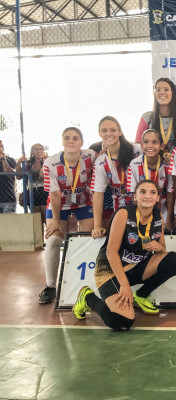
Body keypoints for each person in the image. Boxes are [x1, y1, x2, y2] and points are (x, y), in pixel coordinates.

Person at [72, 180, 176, 331]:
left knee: (175, 261)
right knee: (122, 322)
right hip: (110, 270)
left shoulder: (158, 216)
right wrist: (124, 285)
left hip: (136, 266)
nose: (147, 196)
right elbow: (111, 252)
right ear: (135, 197)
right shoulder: (124, 213)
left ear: (158, 198)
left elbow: (162, 248)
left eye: (152, 192)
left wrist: (158, 247)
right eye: (142, 192)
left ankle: (141, 296)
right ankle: (87, 297)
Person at [40, 127, 96, 304]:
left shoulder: (91, 156)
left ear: (82, 142)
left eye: (75, 138)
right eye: (67, 138)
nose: (71, 141)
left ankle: (89, 282)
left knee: (89, 239)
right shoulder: (51, 162)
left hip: (84, 202)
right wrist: (56, 221)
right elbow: (55, 194)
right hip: (59, 205)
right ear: (62, 141)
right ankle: (50, 286)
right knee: (53, 240)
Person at [91, 116, 142, 239]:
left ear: (120, 132)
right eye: (104, 130)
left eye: (113, 130)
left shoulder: (138, 150)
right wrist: (97, 226)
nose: (109, 134)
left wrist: (166, 156)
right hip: (119, 207)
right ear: (99, 134)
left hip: (143, 203)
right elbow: (98, 194)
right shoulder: (100, 161)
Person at [126, 129, 174, 230]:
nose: (150, 145)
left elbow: (171, 193)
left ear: (161, 146)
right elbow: (133, 195)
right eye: (146, 142)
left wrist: (170, 220)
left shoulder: (168, 164)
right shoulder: (134, 164)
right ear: (141, 145)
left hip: (163, 212)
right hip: (141, 212)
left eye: (155, 142)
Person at [135, 77, 176, 151]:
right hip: (153, 158)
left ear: (172, 92)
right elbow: (138, 145)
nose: (162, 92)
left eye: (166, 89)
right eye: (158, 90)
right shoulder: (147, 118)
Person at [15, 143, 48, 234]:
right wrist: (19, 163)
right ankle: (40, 240)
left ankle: (50, 239)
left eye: (41, 149)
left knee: (46, 215)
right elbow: (18, 176)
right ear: (32, 152)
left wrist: (45, 162)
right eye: (36, 149)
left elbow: (45, 176)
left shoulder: (47, 161)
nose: (39, 151)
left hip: (44, 190)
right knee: (37, 218)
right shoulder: (28, 163)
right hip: (32, 191)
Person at [0, 140, 17, 213]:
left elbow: (10, 175)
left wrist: (3, 159)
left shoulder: (10, 160)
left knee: (9, 220)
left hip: (8, 199)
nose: (1, 148)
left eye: (2, 146)